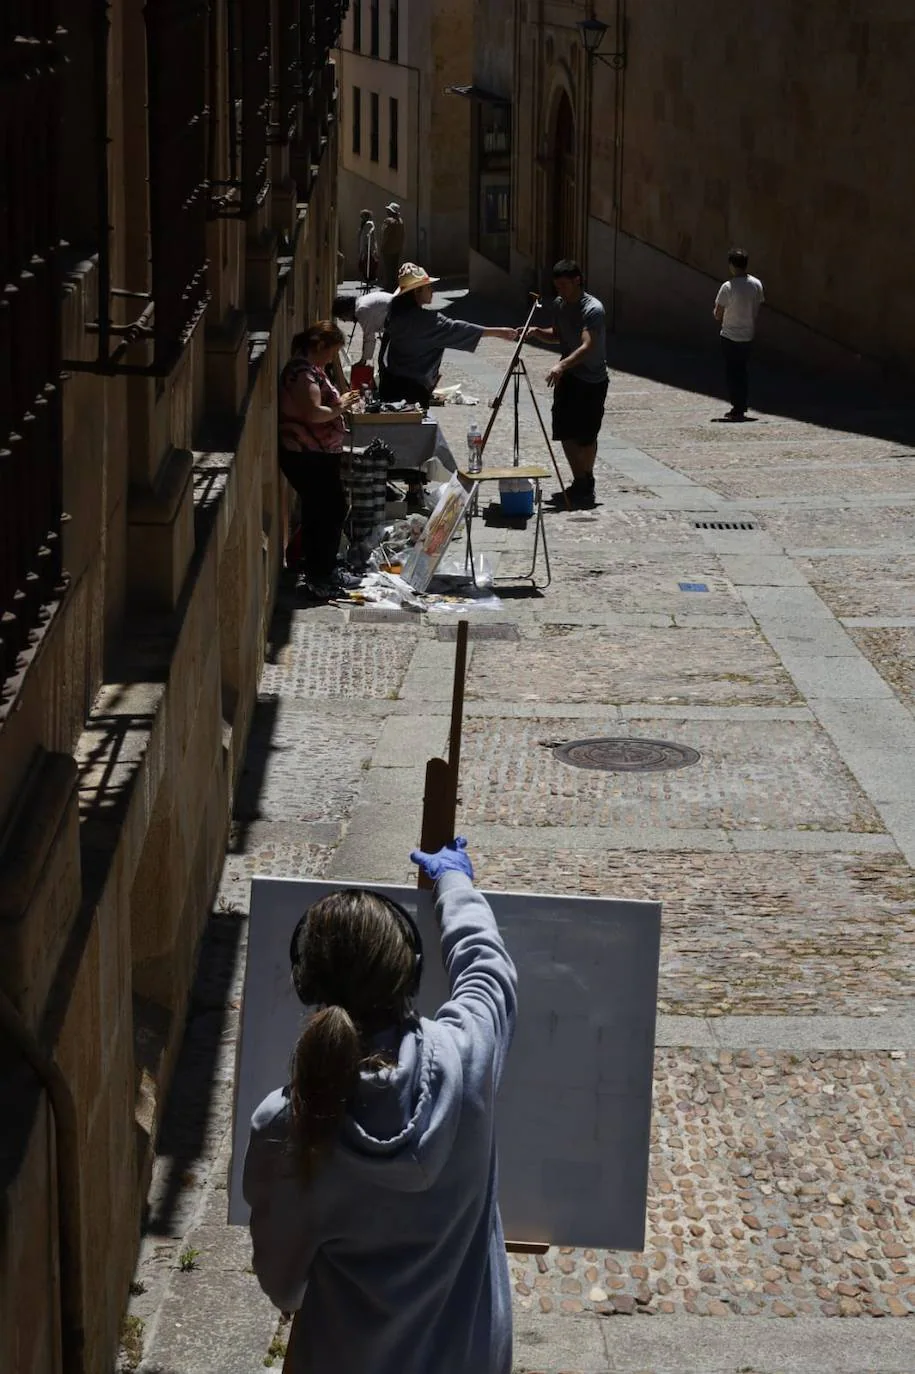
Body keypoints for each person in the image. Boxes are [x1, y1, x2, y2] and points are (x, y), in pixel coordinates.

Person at [243, 838, 518, 1374]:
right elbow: (488, 969)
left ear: (307, 986)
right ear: (409, 973)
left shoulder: (286, 1124)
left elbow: (283, 1285)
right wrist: (454, 883)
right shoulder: (468, 1058)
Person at [278, 322, 362, 599]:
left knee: (329, 509)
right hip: (306, 453)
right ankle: (319, 572)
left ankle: (323, 568)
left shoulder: (312, 371)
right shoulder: (301, 373)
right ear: (318, 346)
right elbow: (314, 412)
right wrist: (342, 405)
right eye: (331, 352)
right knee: (325, 511)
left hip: (318, 454)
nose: (331, 358)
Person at [523, 260, 608, 510]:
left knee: (586, 435)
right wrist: (537, 331)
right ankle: (579, 480)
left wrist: (561, 365)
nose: (559, 290)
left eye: (563, 285)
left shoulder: (593, 309)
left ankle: (588, 477)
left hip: (592, 378)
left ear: (577, 280)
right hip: (569, 377)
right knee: (564, 430)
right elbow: (559, 334)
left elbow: (587, 345)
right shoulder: (559, 305)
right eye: (556, 286)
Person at [379, 263, 516, 408]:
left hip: (389, 385)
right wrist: (499, 332)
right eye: (428, 287)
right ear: (417, 291)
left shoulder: (396, 315)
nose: (432, 291)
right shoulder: (427, 321)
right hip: (412, 392)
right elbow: (458, 329)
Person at [714, 248, 764, 421]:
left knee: (732, 372)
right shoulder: (756, 284)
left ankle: (738, 406)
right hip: (748, 333)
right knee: (742, 370)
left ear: (732, 266)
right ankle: (742, 403)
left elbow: (718, 313)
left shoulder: (727, 287)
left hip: (729, 334)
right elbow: (758, 306)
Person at [334, 289, 394, 366]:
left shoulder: (362, 310)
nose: (344, 321)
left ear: (345, 312)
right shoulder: (362, 301)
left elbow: (369, 337)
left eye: (342, 318)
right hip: (393, 323)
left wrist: (363, 361)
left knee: (384, 361)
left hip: (398, 324)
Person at [380, 202, 406, 292]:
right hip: (397, 250)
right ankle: (395, 285)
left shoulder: (388, 221)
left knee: (388, 269)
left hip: (388, 249)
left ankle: (388, 286)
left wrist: (382, 247)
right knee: (395, 269)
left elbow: (385, 235)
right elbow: (403, 236)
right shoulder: (400, 221)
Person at [357, 209, 378, 287]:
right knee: (363, 264)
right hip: (364, 247)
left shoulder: (369, 223)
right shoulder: (363, 224)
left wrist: (369, 233)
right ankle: (367, 279)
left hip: (368, 248)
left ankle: (371, 280)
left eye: (362, 217)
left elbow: (371, 231)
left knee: (368, 264)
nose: (361, 218)